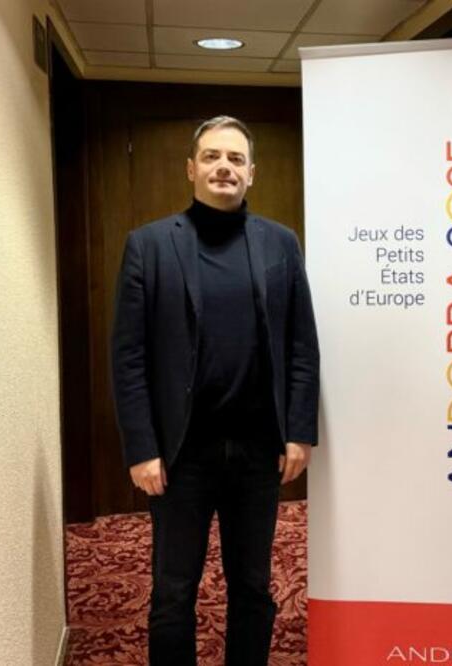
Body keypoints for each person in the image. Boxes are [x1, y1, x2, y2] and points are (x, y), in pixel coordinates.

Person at [110, 115, 320, 666]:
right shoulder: (149, 246)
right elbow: (128, 357)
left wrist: (299, 432)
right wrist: (141, 447)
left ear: (251, 173)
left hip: (257, 451)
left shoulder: (280, 244)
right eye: (211, 156)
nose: (223, 167)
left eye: (234, 158)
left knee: (252, 586)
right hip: (181, 454)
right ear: (191, 169)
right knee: (173, 591)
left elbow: (302, 344)